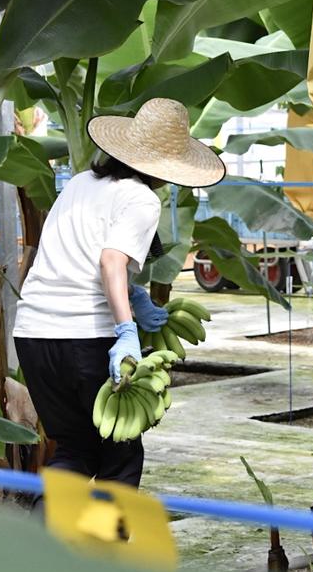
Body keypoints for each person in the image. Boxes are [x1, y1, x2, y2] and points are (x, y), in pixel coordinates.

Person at [13, 96, 225, 489]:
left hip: (33, 335)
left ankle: (43, 544)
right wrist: (127, 330)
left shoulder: (81, 182)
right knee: (121, 457)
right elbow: (110, 260)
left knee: (75, 450)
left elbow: (78, 253)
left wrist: (134, 295)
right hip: (84, 337)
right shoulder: (142, 199)